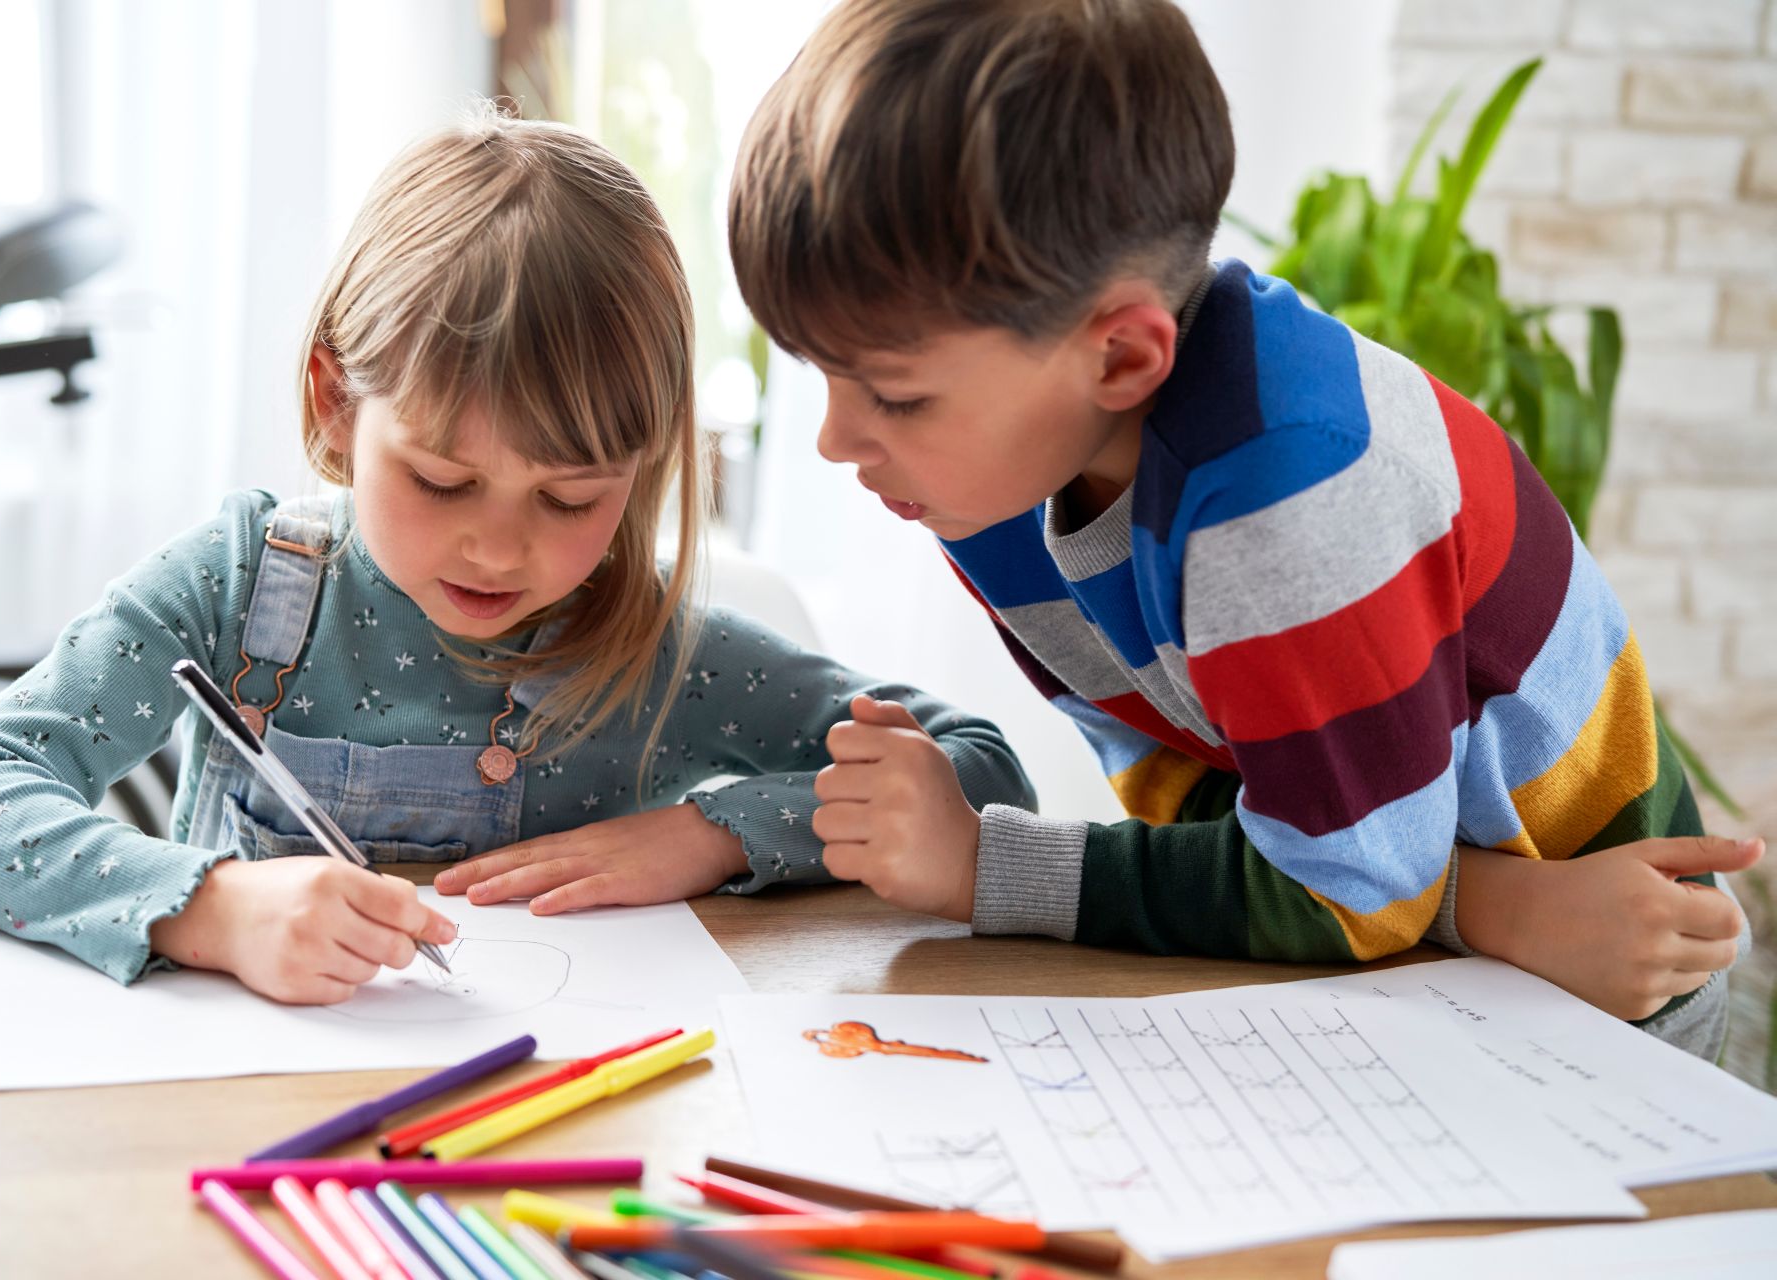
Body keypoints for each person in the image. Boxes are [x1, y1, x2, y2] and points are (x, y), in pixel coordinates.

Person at [726, 0, 1759, 1057]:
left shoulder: (1290, 493)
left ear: (1122, 357)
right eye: (822, 375)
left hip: (1603, 965)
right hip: (1441, 946)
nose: (835, 440)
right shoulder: (996, 476)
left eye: (894, 396)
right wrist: (1467, 897)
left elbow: (1349, 895)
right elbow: (1248, 824)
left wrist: (986, 866)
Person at [0, 106, 1032, 1006]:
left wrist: (713, 831)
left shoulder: (660, 657)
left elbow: (976, 767)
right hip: (241, 1129)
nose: (499, 542)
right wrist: (212, 907)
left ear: (640, 468)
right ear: (337, 403)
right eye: (441, 478)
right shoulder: (239, 586)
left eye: (571, 495)